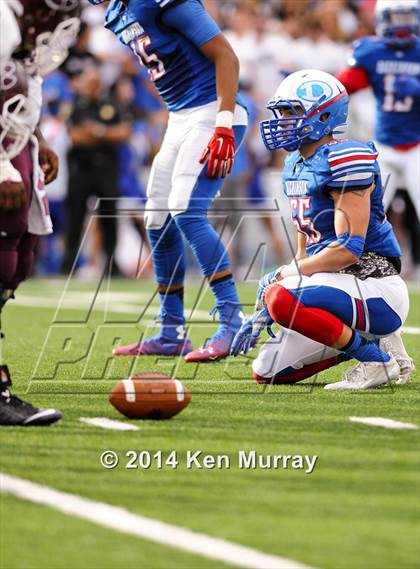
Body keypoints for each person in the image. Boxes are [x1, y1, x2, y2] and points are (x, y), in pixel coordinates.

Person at [231, 69, 414, 390]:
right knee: (268, 370)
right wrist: (292, 276)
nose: (283, 120)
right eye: (281, 112)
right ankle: (371, 342)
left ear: (325, 113)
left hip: (374, 286)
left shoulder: (346, 158)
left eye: (292, 111)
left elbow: (348, 248)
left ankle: (375, 360)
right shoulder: (295, 165)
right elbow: (306, 243)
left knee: (281, 295)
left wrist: (287, 275)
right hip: (337, 288)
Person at [89, 0, 248, 362]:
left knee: (186, 211)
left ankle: (233, 319)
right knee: (157, 219)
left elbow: (226, 55)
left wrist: (223, 123)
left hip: (213, 109)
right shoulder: (116, 12)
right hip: (180, 117)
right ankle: (172, 330)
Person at [0, 0, 80, 425]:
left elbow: (17, 90)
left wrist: (36, 139)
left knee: (16, 262)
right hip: (3, 155)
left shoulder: (18, 27)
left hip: (16, 144)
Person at [337, 0, 420, 221]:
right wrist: (313, 84)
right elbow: (344, 86)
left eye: (407, 18)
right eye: (397, 19)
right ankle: (368, 256)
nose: (402, 27)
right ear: (382, 19)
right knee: (370, 214)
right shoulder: (371, 51)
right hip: (383, 144)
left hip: (417, 145)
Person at [62, 67, 132, 276]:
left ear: (99, 86)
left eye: (93, 83)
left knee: (109, 217)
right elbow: (75, 136)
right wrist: (105, 135)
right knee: (74, 216)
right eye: (87, 83)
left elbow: (124, 132)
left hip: (106, 170)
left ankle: (111, 262)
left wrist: (98, 131)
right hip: (81, 169)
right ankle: (68, 262)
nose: (89, 88)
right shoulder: (75, 105)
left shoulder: (112, 105)